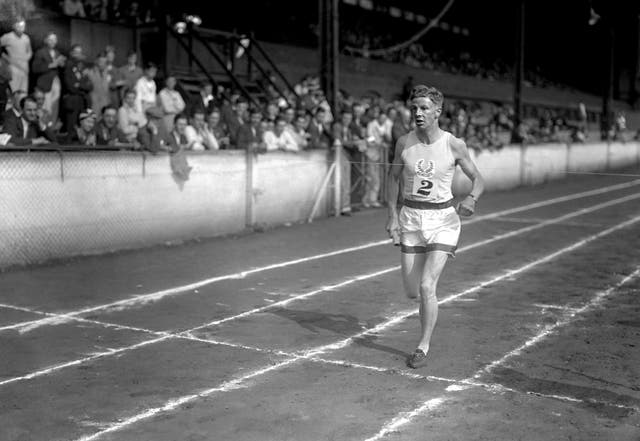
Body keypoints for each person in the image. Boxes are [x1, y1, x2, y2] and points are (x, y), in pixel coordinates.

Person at [385, 85, 484, 369]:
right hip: (412, 219)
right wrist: (391, 214)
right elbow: (392, 178)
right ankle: (420, 310)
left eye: (424, 108)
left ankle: (422, 346)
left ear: (438, 111)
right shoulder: (404, 142)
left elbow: (479, 180)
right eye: (414, 108)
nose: (418, 113)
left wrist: (472, 200)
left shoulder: (454, 144)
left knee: (428, 286)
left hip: (443, 220)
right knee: (412, 291)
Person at [31, 32, 65, 126]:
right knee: (46, 106)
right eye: (50, 39)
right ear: (45, 40)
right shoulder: (40, 52)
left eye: (55, 39)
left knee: (54, 106)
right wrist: (51, 65)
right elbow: (35, 68)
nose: (53, 41)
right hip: (45, 84)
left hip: (55, 82)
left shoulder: (57, 52)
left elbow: (60, 65)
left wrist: (61, 63)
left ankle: (52, 127)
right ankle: (43, 127)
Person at [61, 44, 92, 134]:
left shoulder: (83, 68)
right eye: (76, 52)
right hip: (72, 102)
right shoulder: (68, 66)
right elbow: (70, 86)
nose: (78, 54)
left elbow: (90, 86)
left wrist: (79, 85)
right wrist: (82, 87)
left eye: (80, 52)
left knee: (82, 129)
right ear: (71, 53)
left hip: (83, 102)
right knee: (72, 129)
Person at [363, 110, 391, 208]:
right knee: (371, 178)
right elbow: (368, 137)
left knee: (377, 178)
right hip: (370, 154)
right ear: (378, 117)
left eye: (384, 119)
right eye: (381, 118)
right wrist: (377, 142)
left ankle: (372, 199)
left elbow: (388, 138)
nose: (383, 120)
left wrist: (385, 138)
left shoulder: (386, 125)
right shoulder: (371, 124)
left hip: (380, 155)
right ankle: (367, 200)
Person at [0, 17, 32, 94]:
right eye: (19, 25)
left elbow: (30, 51)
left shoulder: (26, 38)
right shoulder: (8, 37)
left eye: (22, 26)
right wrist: (5, 57)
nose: (21, 28)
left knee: (23, 92)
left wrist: (26, 58)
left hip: (24, 68)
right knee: (13, 90)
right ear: (14, 26)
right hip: (13, 68)